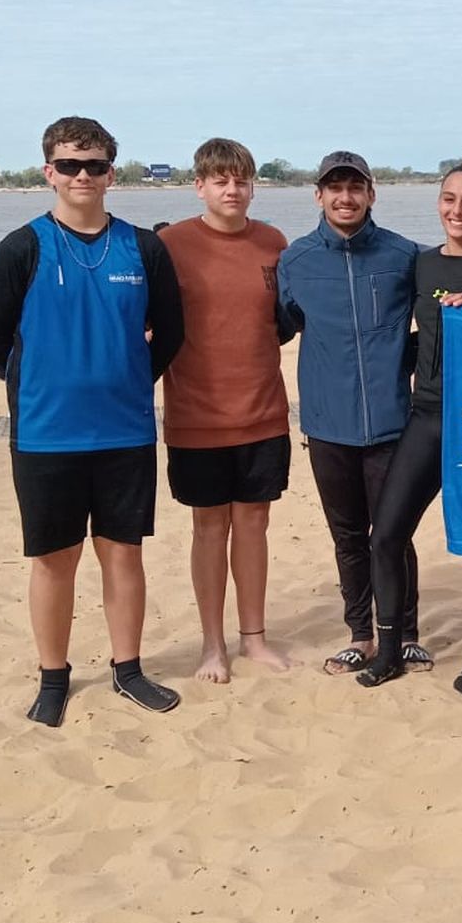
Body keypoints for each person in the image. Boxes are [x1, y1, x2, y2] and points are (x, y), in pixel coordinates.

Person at [0, 115, 184, 726]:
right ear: (49, 172)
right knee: (54, 557)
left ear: (111, 174)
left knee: (122, 554)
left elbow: (171, 332)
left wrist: (127, 379)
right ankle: (54, 676)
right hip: (45, 433)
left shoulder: (142, 247)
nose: (82, 175)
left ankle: (128, 668)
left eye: (94, 165)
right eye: (69, 165)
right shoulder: (22, 247)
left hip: (125, 431)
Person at [357, 152, 462, 693]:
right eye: (450, 199)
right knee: (385, 535)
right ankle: (388, 651)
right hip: (428, 414)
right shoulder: (422, 264)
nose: (459, 210)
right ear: (439, 204)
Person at [275, 151, 425, 676]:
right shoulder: (295, 262)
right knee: (349, 537)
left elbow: (458, 269)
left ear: (370, 194)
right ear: (318, 196)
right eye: (334, 188)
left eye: (355, 187)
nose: (345, 197)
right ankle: (361, 633)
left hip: (390, 421)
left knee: (393, 532)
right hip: (327, 423)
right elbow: (281, 324)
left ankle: (406, 632)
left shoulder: (404, 255)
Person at [160, 138, 293, 682]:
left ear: (252, 185)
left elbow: (286, 320)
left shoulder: (274, 242)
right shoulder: (170, 245)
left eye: (241, 180)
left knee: (255, 524)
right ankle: (212, 644)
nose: (232, 190)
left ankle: (253, 638)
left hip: (263, 410)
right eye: (220, 180)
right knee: (209, 528)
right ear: (200, 186)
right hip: (196, 414)